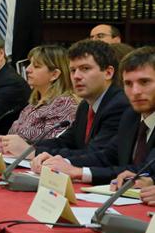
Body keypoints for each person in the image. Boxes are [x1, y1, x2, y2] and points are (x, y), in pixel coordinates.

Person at [35, 47, 155, 184]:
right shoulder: (131, 116)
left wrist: (79, 172)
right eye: (128, 83)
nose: (136, 91)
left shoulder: (121, 106)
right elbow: (108, 156)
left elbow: (145, 169)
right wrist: (62, 162)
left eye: (144, 82)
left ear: (109, 73)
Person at [0, 40, 127, 162]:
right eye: (73, 70)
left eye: (85, 68)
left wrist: (32, 151)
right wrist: (14, 144)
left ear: (108, 73)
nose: (76, 76)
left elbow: (94, 154)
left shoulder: (118, 105)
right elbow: (64, 142)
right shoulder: (85, 106)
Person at [0, 45, 78, 141]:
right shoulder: (34, 103)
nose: (28, 69)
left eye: (36, 66)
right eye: (29, 64)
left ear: (54, 74)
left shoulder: (64, 104)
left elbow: (51, 146)